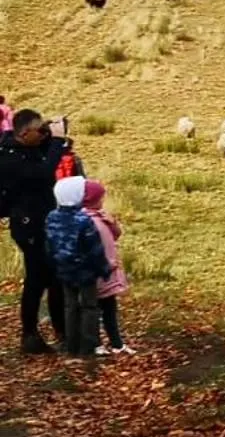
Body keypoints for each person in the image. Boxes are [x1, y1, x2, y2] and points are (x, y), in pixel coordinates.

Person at [0, 108, 84, 354]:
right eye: (38, 132)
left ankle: (61, 330)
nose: (42, 136)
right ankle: (30, 334)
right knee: (37, 279)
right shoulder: (8, 158)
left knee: (53, 277)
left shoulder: (24, 146)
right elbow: (43, 173)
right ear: (25, 133)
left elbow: (44, 154)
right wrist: (57, 141)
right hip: (28, 226)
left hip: (44, 221)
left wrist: (51, 132)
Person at [45, 176, 108, 357]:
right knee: (89, 306)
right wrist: (103, 269)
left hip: (63, 269)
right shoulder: (83, 220)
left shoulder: (52, 217)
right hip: (85, 271)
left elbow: (49, 244)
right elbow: (94, 248)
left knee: (70, 305)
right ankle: (88, 345)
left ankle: (71, 345)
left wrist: (54, 263)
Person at [81, 181, 131, 355]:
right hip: (98, 272)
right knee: (94, 309)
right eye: (100, 198)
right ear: (92, 199)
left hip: (108, 272)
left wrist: (112, 223)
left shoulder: (100, 216)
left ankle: (116, 343)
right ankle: (97, 344)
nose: (103, 201)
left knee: (109, 308)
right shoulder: (85, 221)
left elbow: (115, 235)